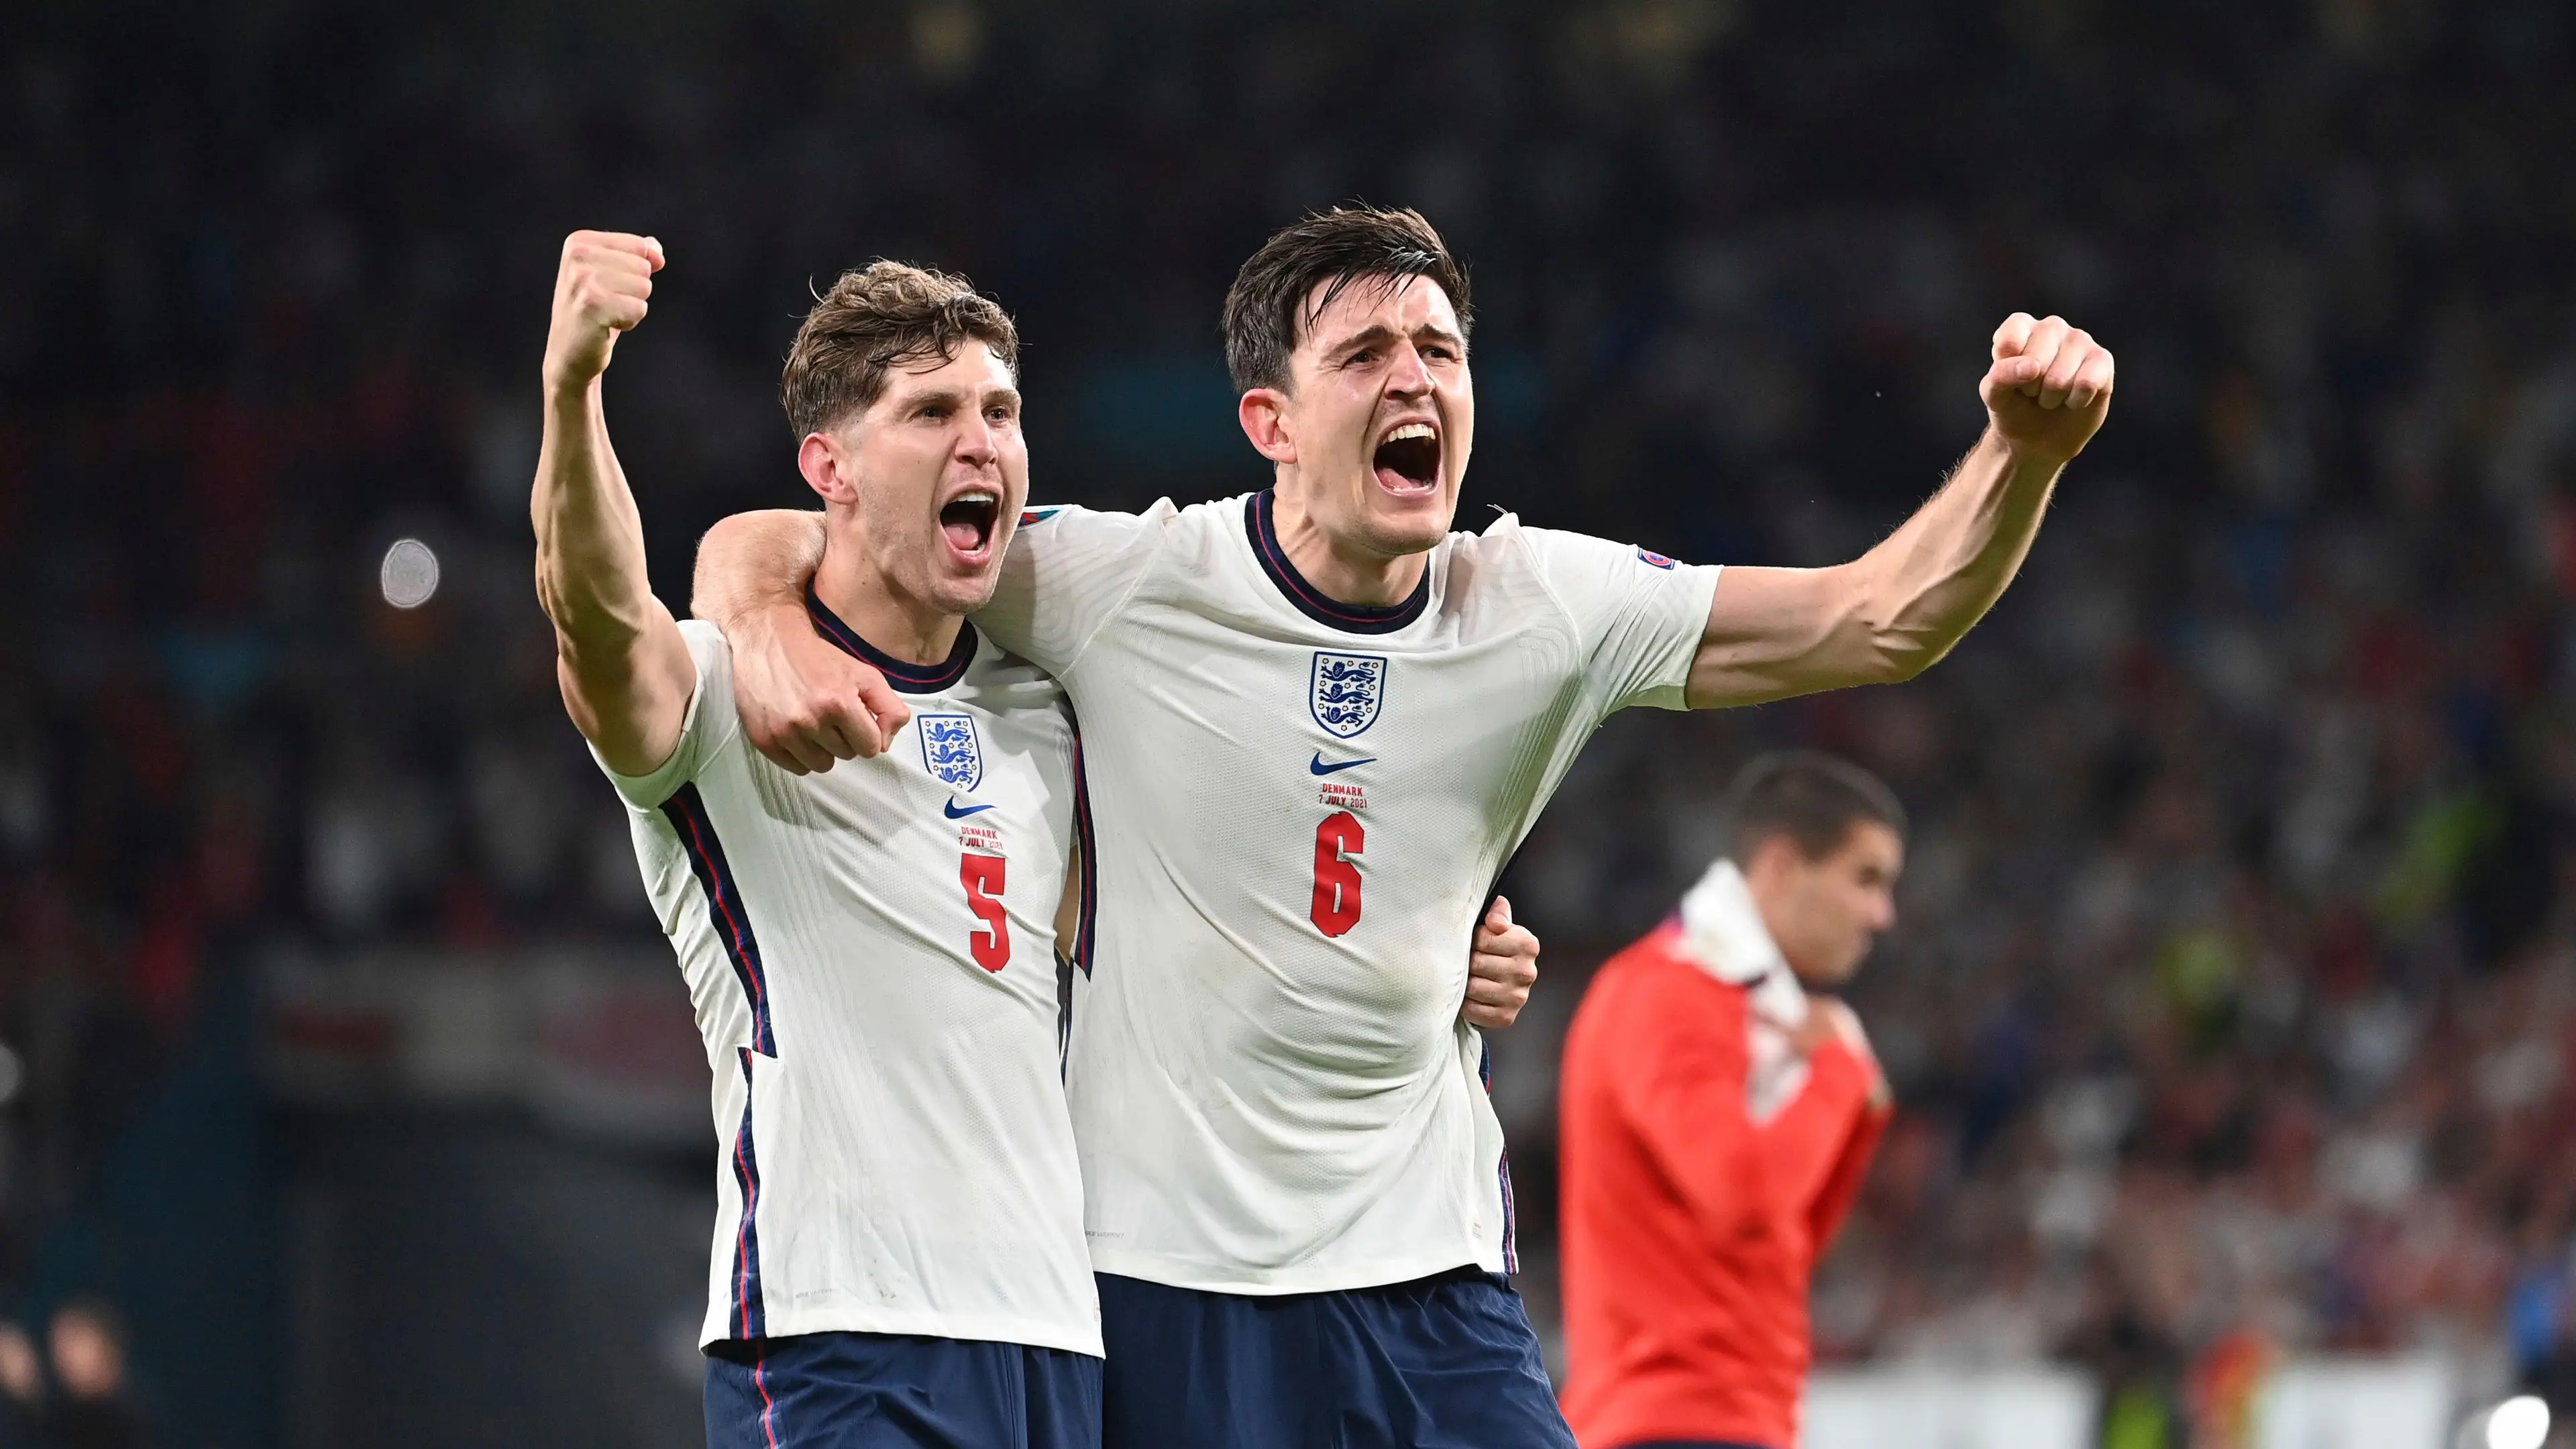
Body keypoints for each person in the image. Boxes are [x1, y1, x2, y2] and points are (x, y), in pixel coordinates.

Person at [692, 205, 2111, 1447]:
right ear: (1274, 424)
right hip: (1168, 1284)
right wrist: (756, 625)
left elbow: (1881, 615)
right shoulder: (1117, 580)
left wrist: (2021, 456)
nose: (1415, 377)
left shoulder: (1545, 607)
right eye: (1365, 357)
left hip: (1430, 1278)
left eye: (1439, 350)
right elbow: (818, 525)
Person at [533, 230, 1542, 1449]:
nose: (981, 441)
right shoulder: (722, 704)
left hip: (1060, 1343)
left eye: (1001, 411)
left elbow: (1211, 922)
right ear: (830, 468)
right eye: (930, 413)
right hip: (836, 1329)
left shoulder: (1047, 716)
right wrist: (574, 388)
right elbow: (593, 616)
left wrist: (1437, 948)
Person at [1557, 751, 1907, 1449]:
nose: (1882, 915)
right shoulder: (1667, 991)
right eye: (1865, 879)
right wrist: (1836, 1075)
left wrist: (1856, 1106)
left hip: (1730, 1419)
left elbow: (1786, 1242)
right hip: (1670, 1422)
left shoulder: (1751, 1010)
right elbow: (1744, 1192)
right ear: (1780, 865)